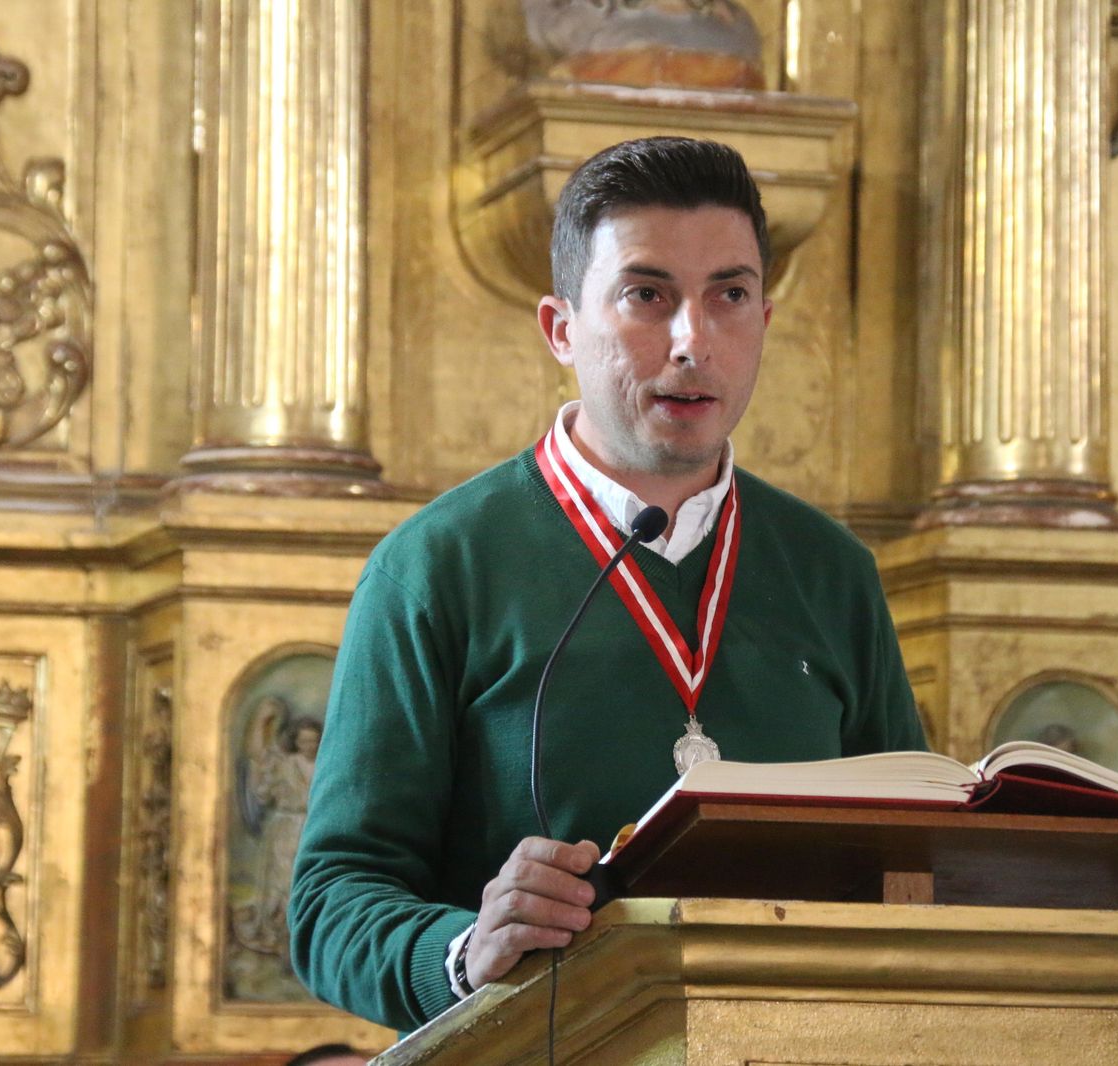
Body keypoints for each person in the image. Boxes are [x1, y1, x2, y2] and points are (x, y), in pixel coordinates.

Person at [288, 136, 927, 1033]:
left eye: (729, 296)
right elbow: (329, 906)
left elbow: (916, 865)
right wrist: (468, 949)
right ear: (561, 329)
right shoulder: (436, 565)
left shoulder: (832, 572)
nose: (692, 341)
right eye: (647, 295)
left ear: (765, 322)